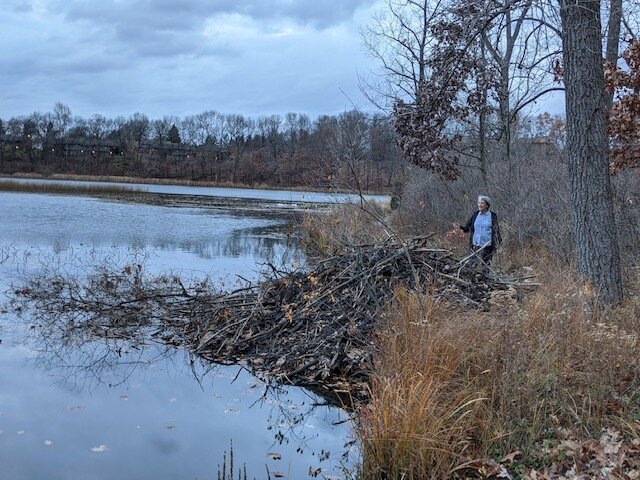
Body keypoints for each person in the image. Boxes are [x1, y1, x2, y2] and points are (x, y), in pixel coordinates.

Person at [459, 195, 502, 265]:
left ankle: (484, 276)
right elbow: (467, 228)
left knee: (485, 266)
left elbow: (496, 231)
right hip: (475, 244)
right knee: (472, 264)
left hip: (487, 245)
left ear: (487, 205)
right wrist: (460, 227)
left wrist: (498, 244)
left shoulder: (493, 216)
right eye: (479, 203)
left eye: (482, 203)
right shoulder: (475, 214)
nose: (480, 205)